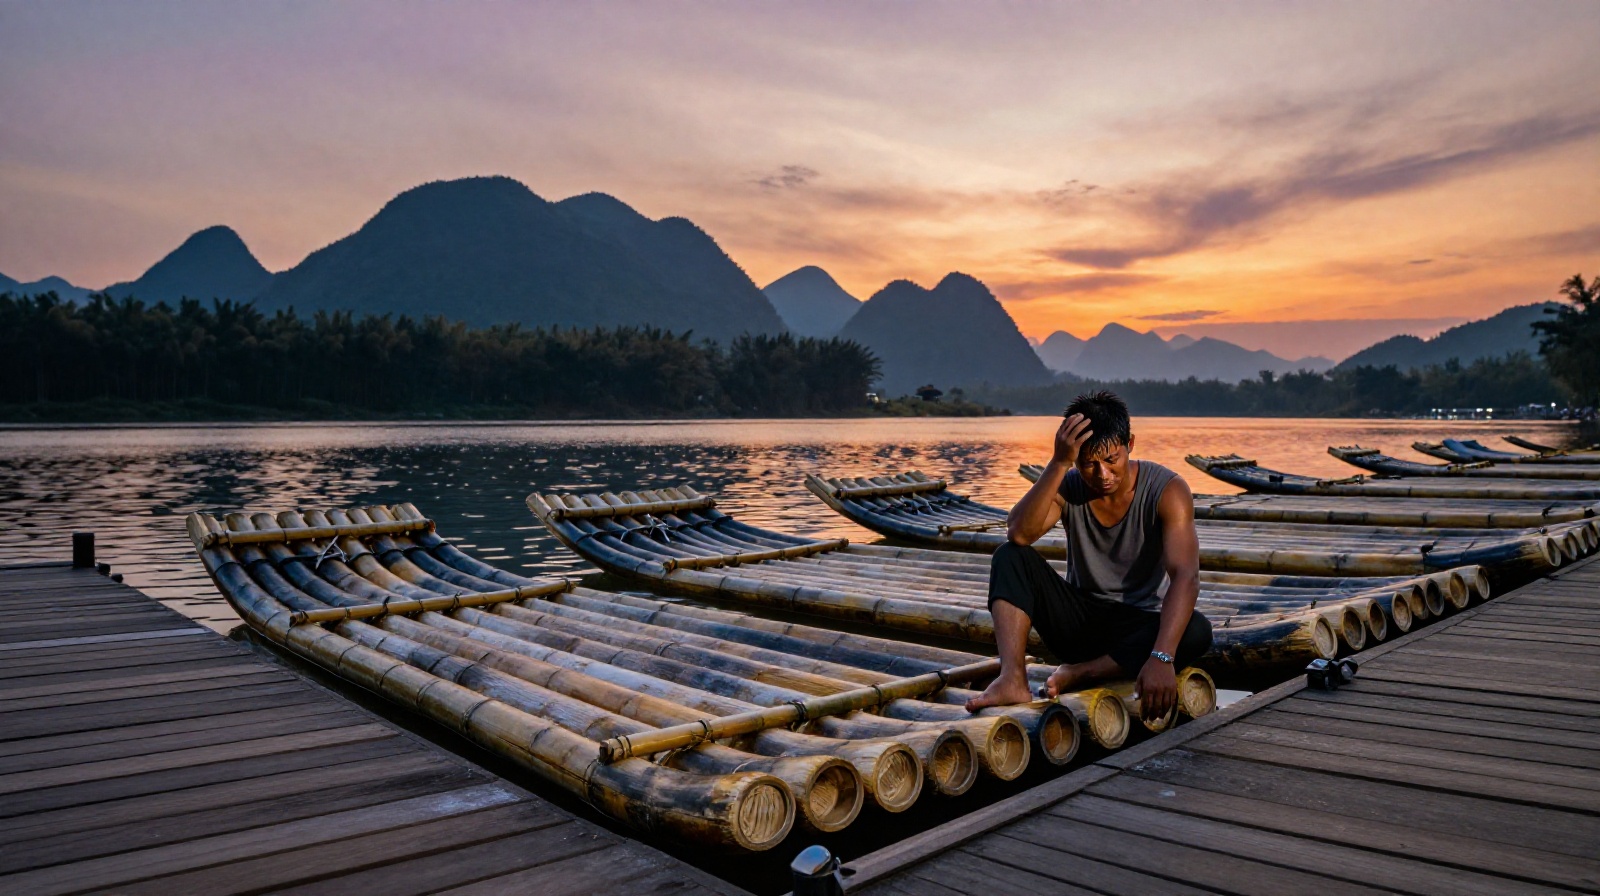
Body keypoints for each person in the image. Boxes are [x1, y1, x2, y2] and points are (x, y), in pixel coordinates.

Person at [965, 390, 1212, 721]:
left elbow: (1186, 575)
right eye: (1089, 464)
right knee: (1010, 556)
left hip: (1138, 630)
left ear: (1130, 445)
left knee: (1197, 630)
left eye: (1112, 460)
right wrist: (1059, 462)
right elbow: (1020, 533)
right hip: (1080, 624)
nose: (1103, 475)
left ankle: (1082, 673)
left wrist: (1162, 657)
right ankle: (1012, 678)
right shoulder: (1068, 484)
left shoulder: (1167, 489)